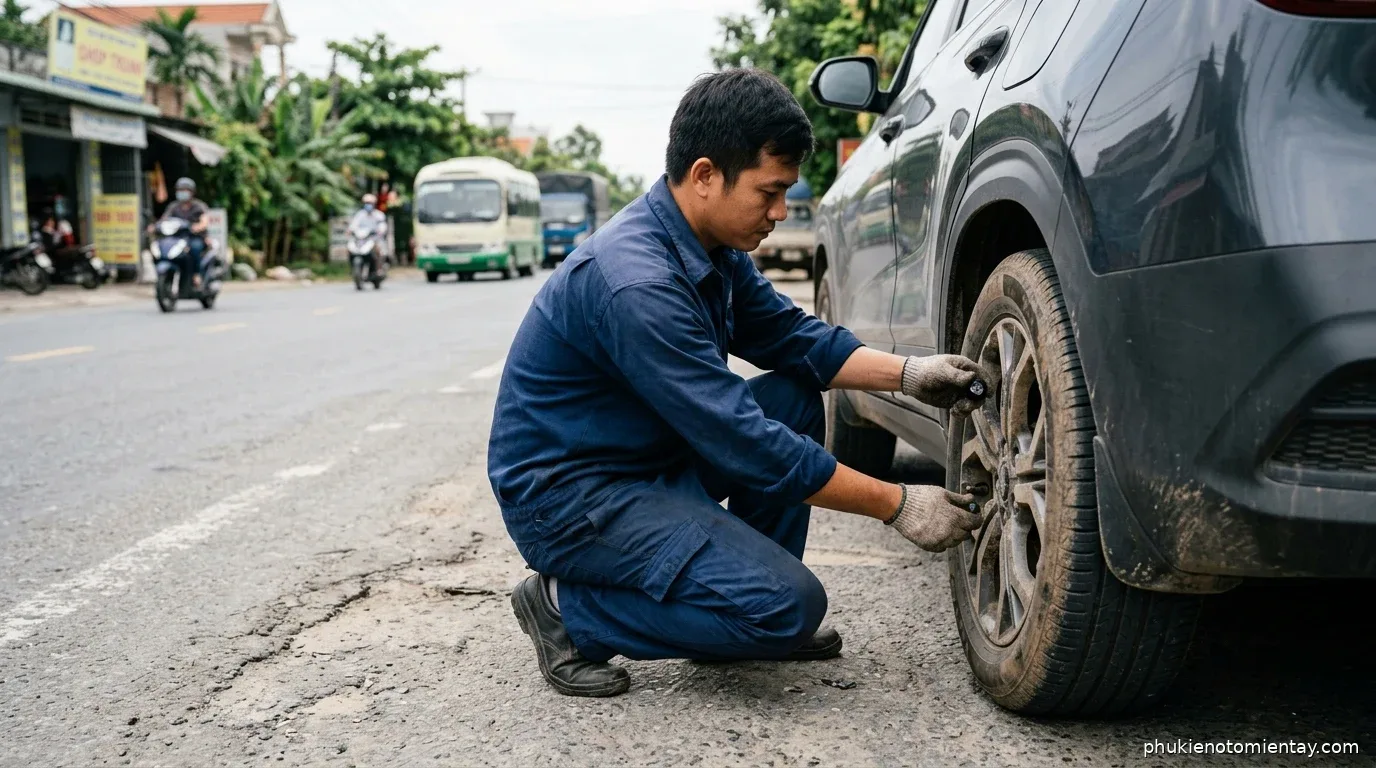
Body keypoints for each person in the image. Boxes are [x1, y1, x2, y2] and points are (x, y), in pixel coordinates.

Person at [487, 68, 991, 698]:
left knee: (792, 399)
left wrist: (911, 374)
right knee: (788, 608)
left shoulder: (711, 249)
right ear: (705, 175)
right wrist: (899, 504)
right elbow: (744, 441)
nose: (780, 212)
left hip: (642, 462)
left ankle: (740, 610)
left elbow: (793, 338)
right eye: (769, 192)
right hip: (573, 500)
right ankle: (567, 610)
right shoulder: (638, 283)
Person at [156, 177, 211, 287]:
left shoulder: (199, 206)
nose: (182, 193)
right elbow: (164, 219)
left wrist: (198, 226)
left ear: (192, 192)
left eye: (185, 190)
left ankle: (196, 275)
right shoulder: (173, 207)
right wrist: (155, 226)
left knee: (195, 248)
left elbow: (205, 221)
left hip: (193, 237)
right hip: (177, 238)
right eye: (180, 190)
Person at [349, 193, 389, 273]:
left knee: (379, 250)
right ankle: (352, 268)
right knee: (350, 249)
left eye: (370, 203)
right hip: (362, 239)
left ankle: (379, 268)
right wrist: (350, 230)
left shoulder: (379, 215)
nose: (368, 205)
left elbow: (382, 226)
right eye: (366, 203)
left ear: (374, 204)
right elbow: (354, 225)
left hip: (375, 239)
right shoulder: (360, 214)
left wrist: (380, 230)